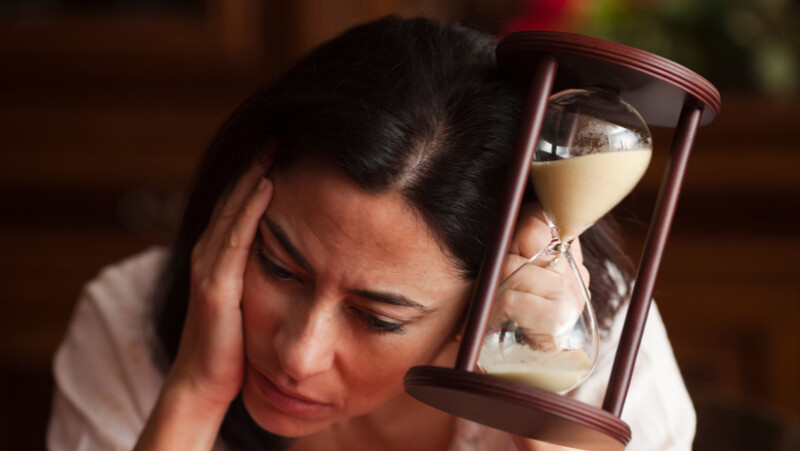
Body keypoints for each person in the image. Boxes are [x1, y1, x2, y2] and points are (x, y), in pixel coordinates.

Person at [47, 15, 695, 450]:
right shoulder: (125, 323)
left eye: (377, 315)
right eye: (279, 266)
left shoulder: (601, 352)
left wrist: (540, 423)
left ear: (484, 297)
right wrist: (190, 395)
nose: (300, 353)